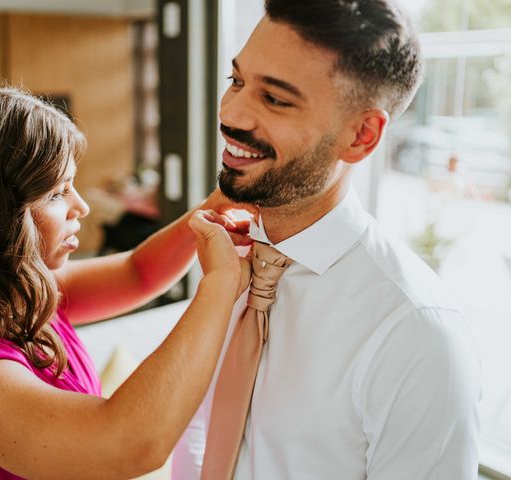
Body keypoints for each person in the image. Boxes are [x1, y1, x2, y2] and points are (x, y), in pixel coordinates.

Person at [172, 1, 482, 479]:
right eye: (237, 81)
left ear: (360, 135)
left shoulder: (416, 336)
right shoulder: (228, 255)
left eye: (274, 99)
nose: (231, 114)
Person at [0, 85, 253, 479]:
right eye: (58, 193)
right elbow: (129, 445)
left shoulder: (15, 292)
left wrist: (221, 202)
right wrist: (220, 284)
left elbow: (138, 273)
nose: (83, 206)